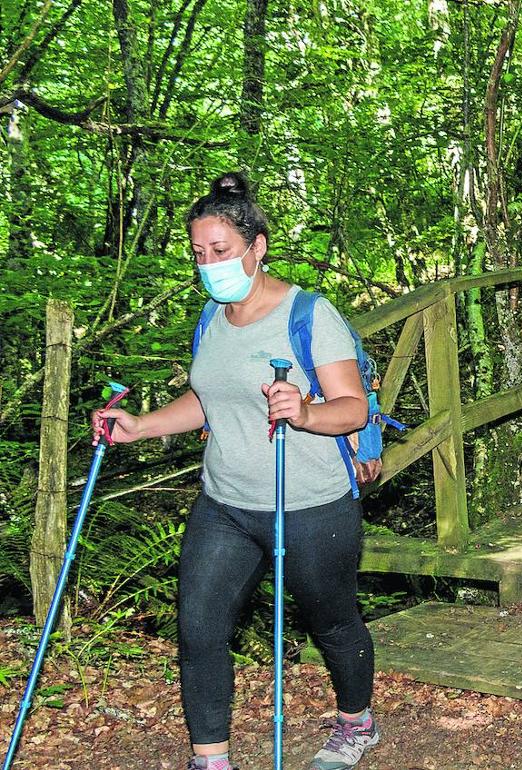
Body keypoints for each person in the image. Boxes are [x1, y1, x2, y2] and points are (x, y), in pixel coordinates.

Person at [93, 172, 380, 770]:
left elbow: (351, 409)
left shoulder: (309, 314)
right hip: (225, 503)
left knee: (332, 624)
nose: (209, 264)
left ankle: (356, 722)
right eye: (199, 254)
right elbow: (210, 398)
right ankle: (211, 758)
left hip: (310, 503)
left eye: (220, 252)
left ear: (257, 247)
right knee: (199, 629)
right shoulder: (212, 318)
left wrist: (301, 411)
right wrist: (141, 425)